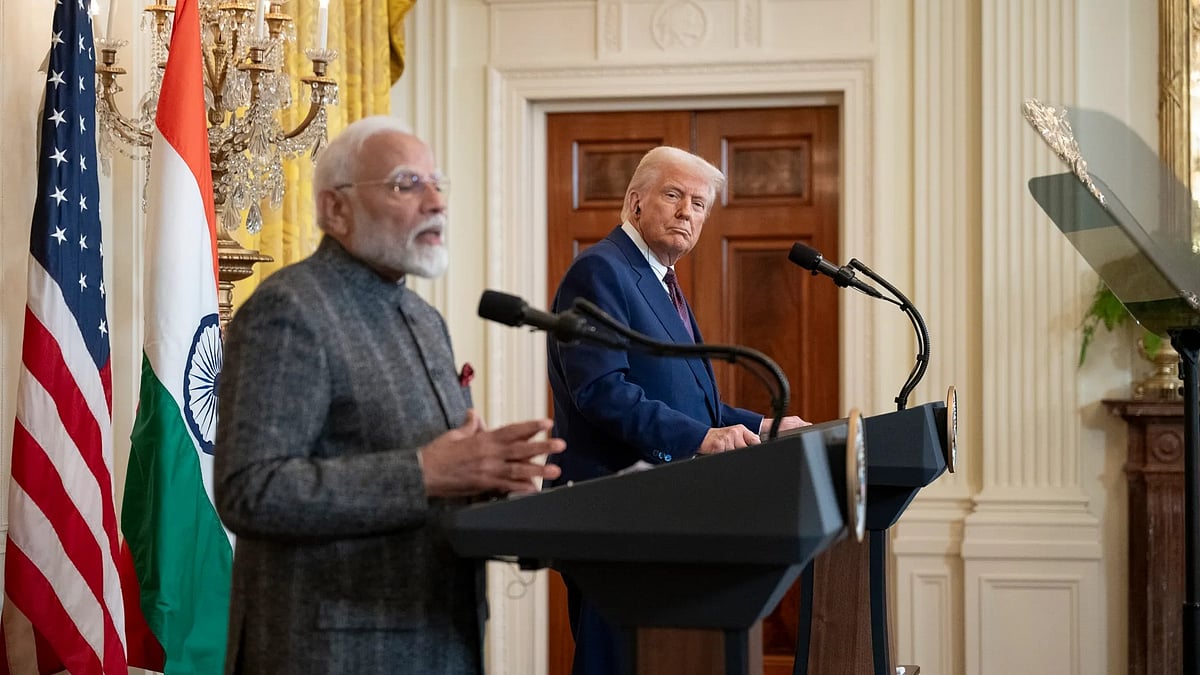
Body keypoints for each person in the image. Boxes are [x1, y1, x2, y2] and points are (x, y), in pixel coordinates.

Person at [213, 115, 564, 675]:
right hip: (333, 655)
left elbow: (434, 478)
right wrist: (424, 473)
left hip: (441, 640)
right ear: (336, 209)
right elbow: (250, 491)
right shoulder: (291, 309)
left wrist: (490, 483)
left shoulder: (423, 318)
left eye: (437, 184)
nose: (436, 202)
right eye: (407, 184)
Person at [546, 145, 808, 674]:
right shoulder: (601, 270)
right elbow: (600, 390)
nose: (688, 212)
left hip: (663, 512)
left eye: (700, 203)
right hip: (615, 512)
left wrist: (760, 425)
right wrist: (700, 439)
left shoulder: (661, 280)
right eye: (674, 195)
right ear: (635, 202)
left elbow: (684, 399)